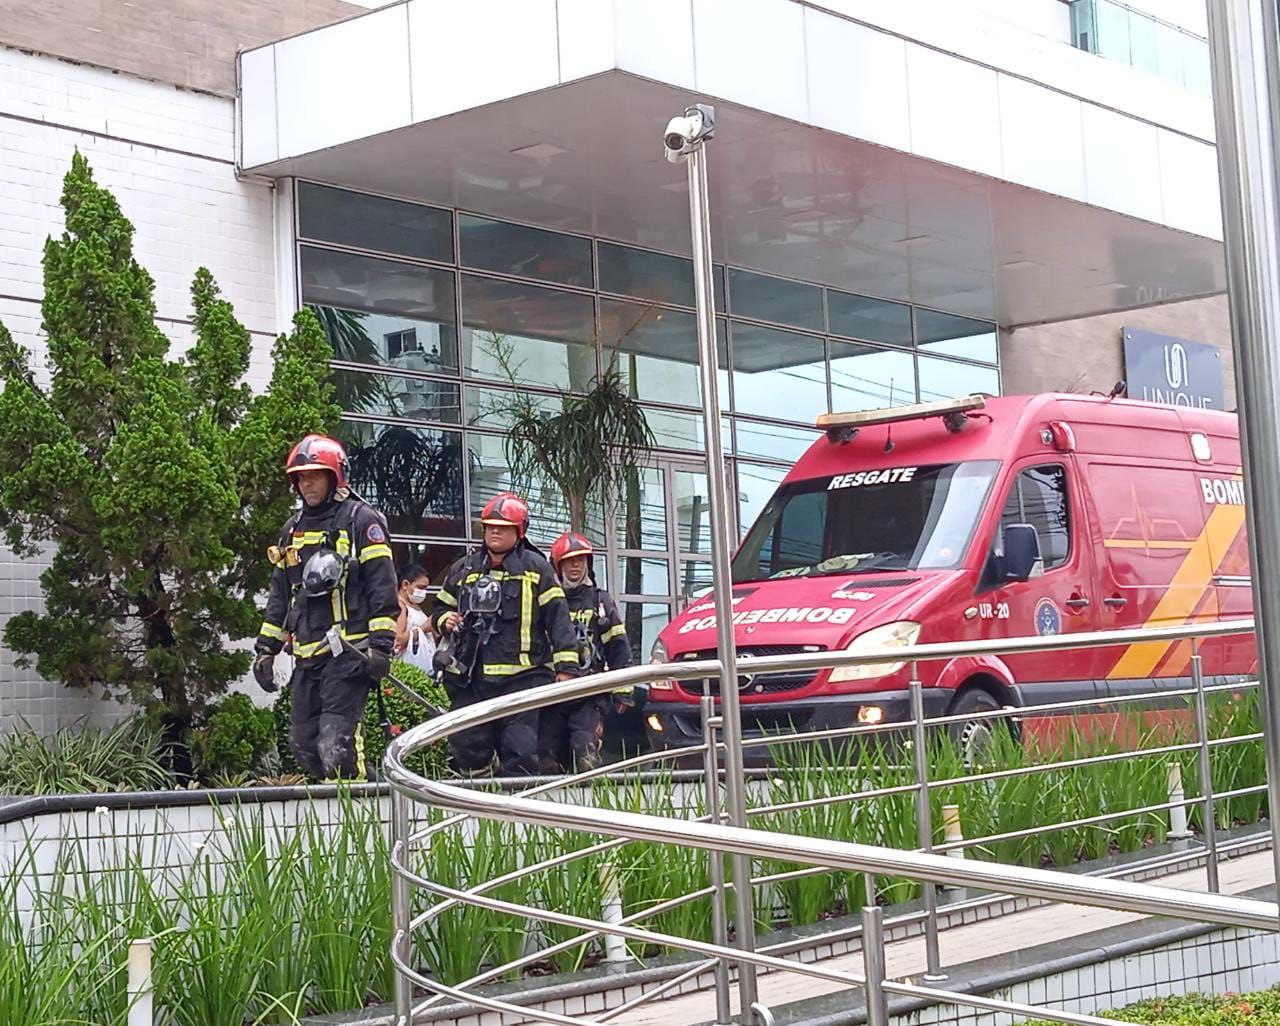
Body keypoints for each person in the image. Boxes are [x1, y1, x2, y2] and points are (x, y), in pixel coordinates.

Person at [252, 434, 399, 780]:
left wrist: (380, 646)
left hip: (350, 653)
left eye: (314, 475)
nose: (307, 484)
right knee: (303, 745)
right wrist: (265, 651)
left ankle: (360, 811)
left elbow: (382, 587)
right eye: (301, 477)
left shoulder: (362, 522)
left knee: (336, 745)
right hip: (306, 655)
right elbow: (280, 594)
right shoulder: (292, 531)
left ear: (335, 477)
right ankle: (333, 816)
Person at [432, 493, 579, 776]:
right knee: (466, 744)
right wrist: (444, 620)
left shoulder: (537, 569)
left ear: (519, 531)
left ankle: (517, 813)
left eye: (503, 526)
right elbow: (440, 607)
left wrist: (566, 668)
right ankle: (483, 796)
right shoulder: (464, 569)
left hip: (524, 676)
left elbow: (558, 619)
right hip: (472, 676)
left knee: (520, 750)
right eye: (490, 526)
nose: (495, 531)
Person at [540, 531, 633, 772]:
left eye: (580, 559)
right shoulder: (547, 601)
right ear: (557, 565)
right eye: (569, 560)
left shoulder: (600, 602)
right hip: (551, 693)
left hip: (590, 692)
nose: (575, 565)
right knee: (545, 756)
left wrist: (623, 691)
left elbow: (618, 645)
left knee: (585, 752)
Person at [395, 563, 437, 674]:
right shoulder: (400, 606)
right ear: (405, 585)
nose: (423, 593)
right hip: (408, 669)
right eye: (420, 587)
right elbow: (398, 640)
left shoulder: (415, 606)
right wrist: (423, 629)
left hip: (422, 669)